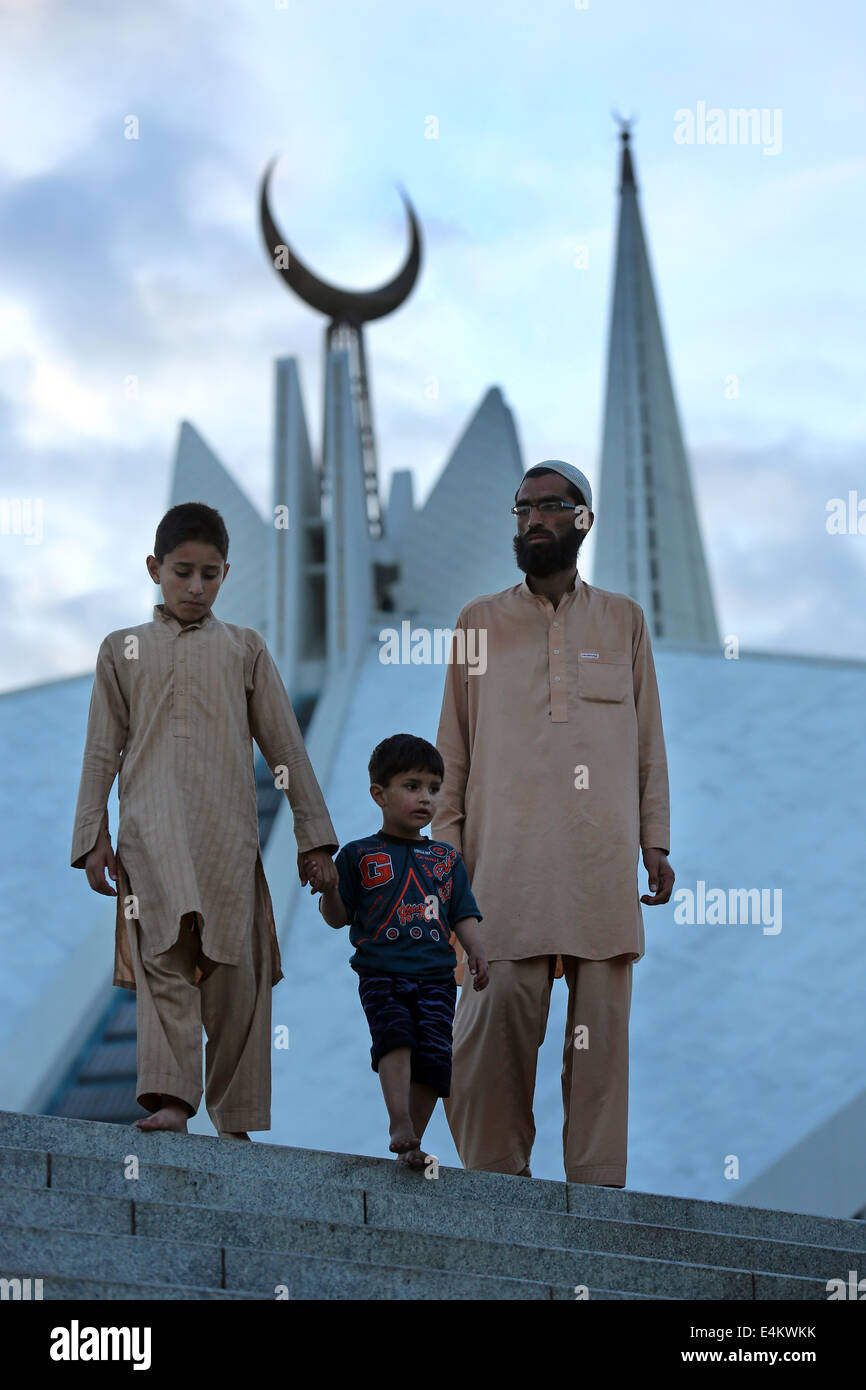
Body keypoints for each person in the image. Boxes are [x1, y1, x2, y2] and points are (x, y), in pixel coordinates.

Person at [433, 461, 674, 1186]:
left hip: (600, 871)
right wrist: (446, 863)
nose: (533, 520)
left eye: (549, 507)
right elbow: (452, 754)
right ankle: (497, 1186)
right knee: (489, 1032)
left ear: (583, 519)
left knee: (600, 1047)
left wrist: (654, 840)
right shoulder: (478, 621)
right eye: (523, 509)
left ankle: (596, 1197)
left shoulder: (623, 621)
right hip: (499, 873)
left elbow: (648, 743)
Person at [70, 501, 339, 1140]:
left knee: (237, 976)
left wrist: (314, 839)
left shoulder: (245, 648)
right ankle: (171, 1101)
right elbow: (100, 749)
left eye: (210, 574)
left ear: (226, 573)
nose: (195, 587)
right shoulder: (121, 649)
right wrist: (92, 836)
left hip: (227, 837)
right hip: (150, 837)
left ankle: (236, 1117)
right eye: (182, 572)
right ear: (154, 568)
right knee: (163, 960)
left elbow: (286, 750)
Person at [309, 734, 488, 1168]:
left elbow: (462, 912)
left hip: (437, 977)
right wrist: (330, 891)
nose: (425, 798)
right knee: (395, 1037)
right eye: (412, 786)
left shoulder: (446, 861)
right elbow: (338, 918)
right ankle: (398, 1123)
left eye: (432, 788)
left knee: (433, 1056)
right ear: (379, 794)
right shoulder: (358, 855)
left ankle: (414, 1140)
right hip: (381, 972)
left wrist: (477, 951)